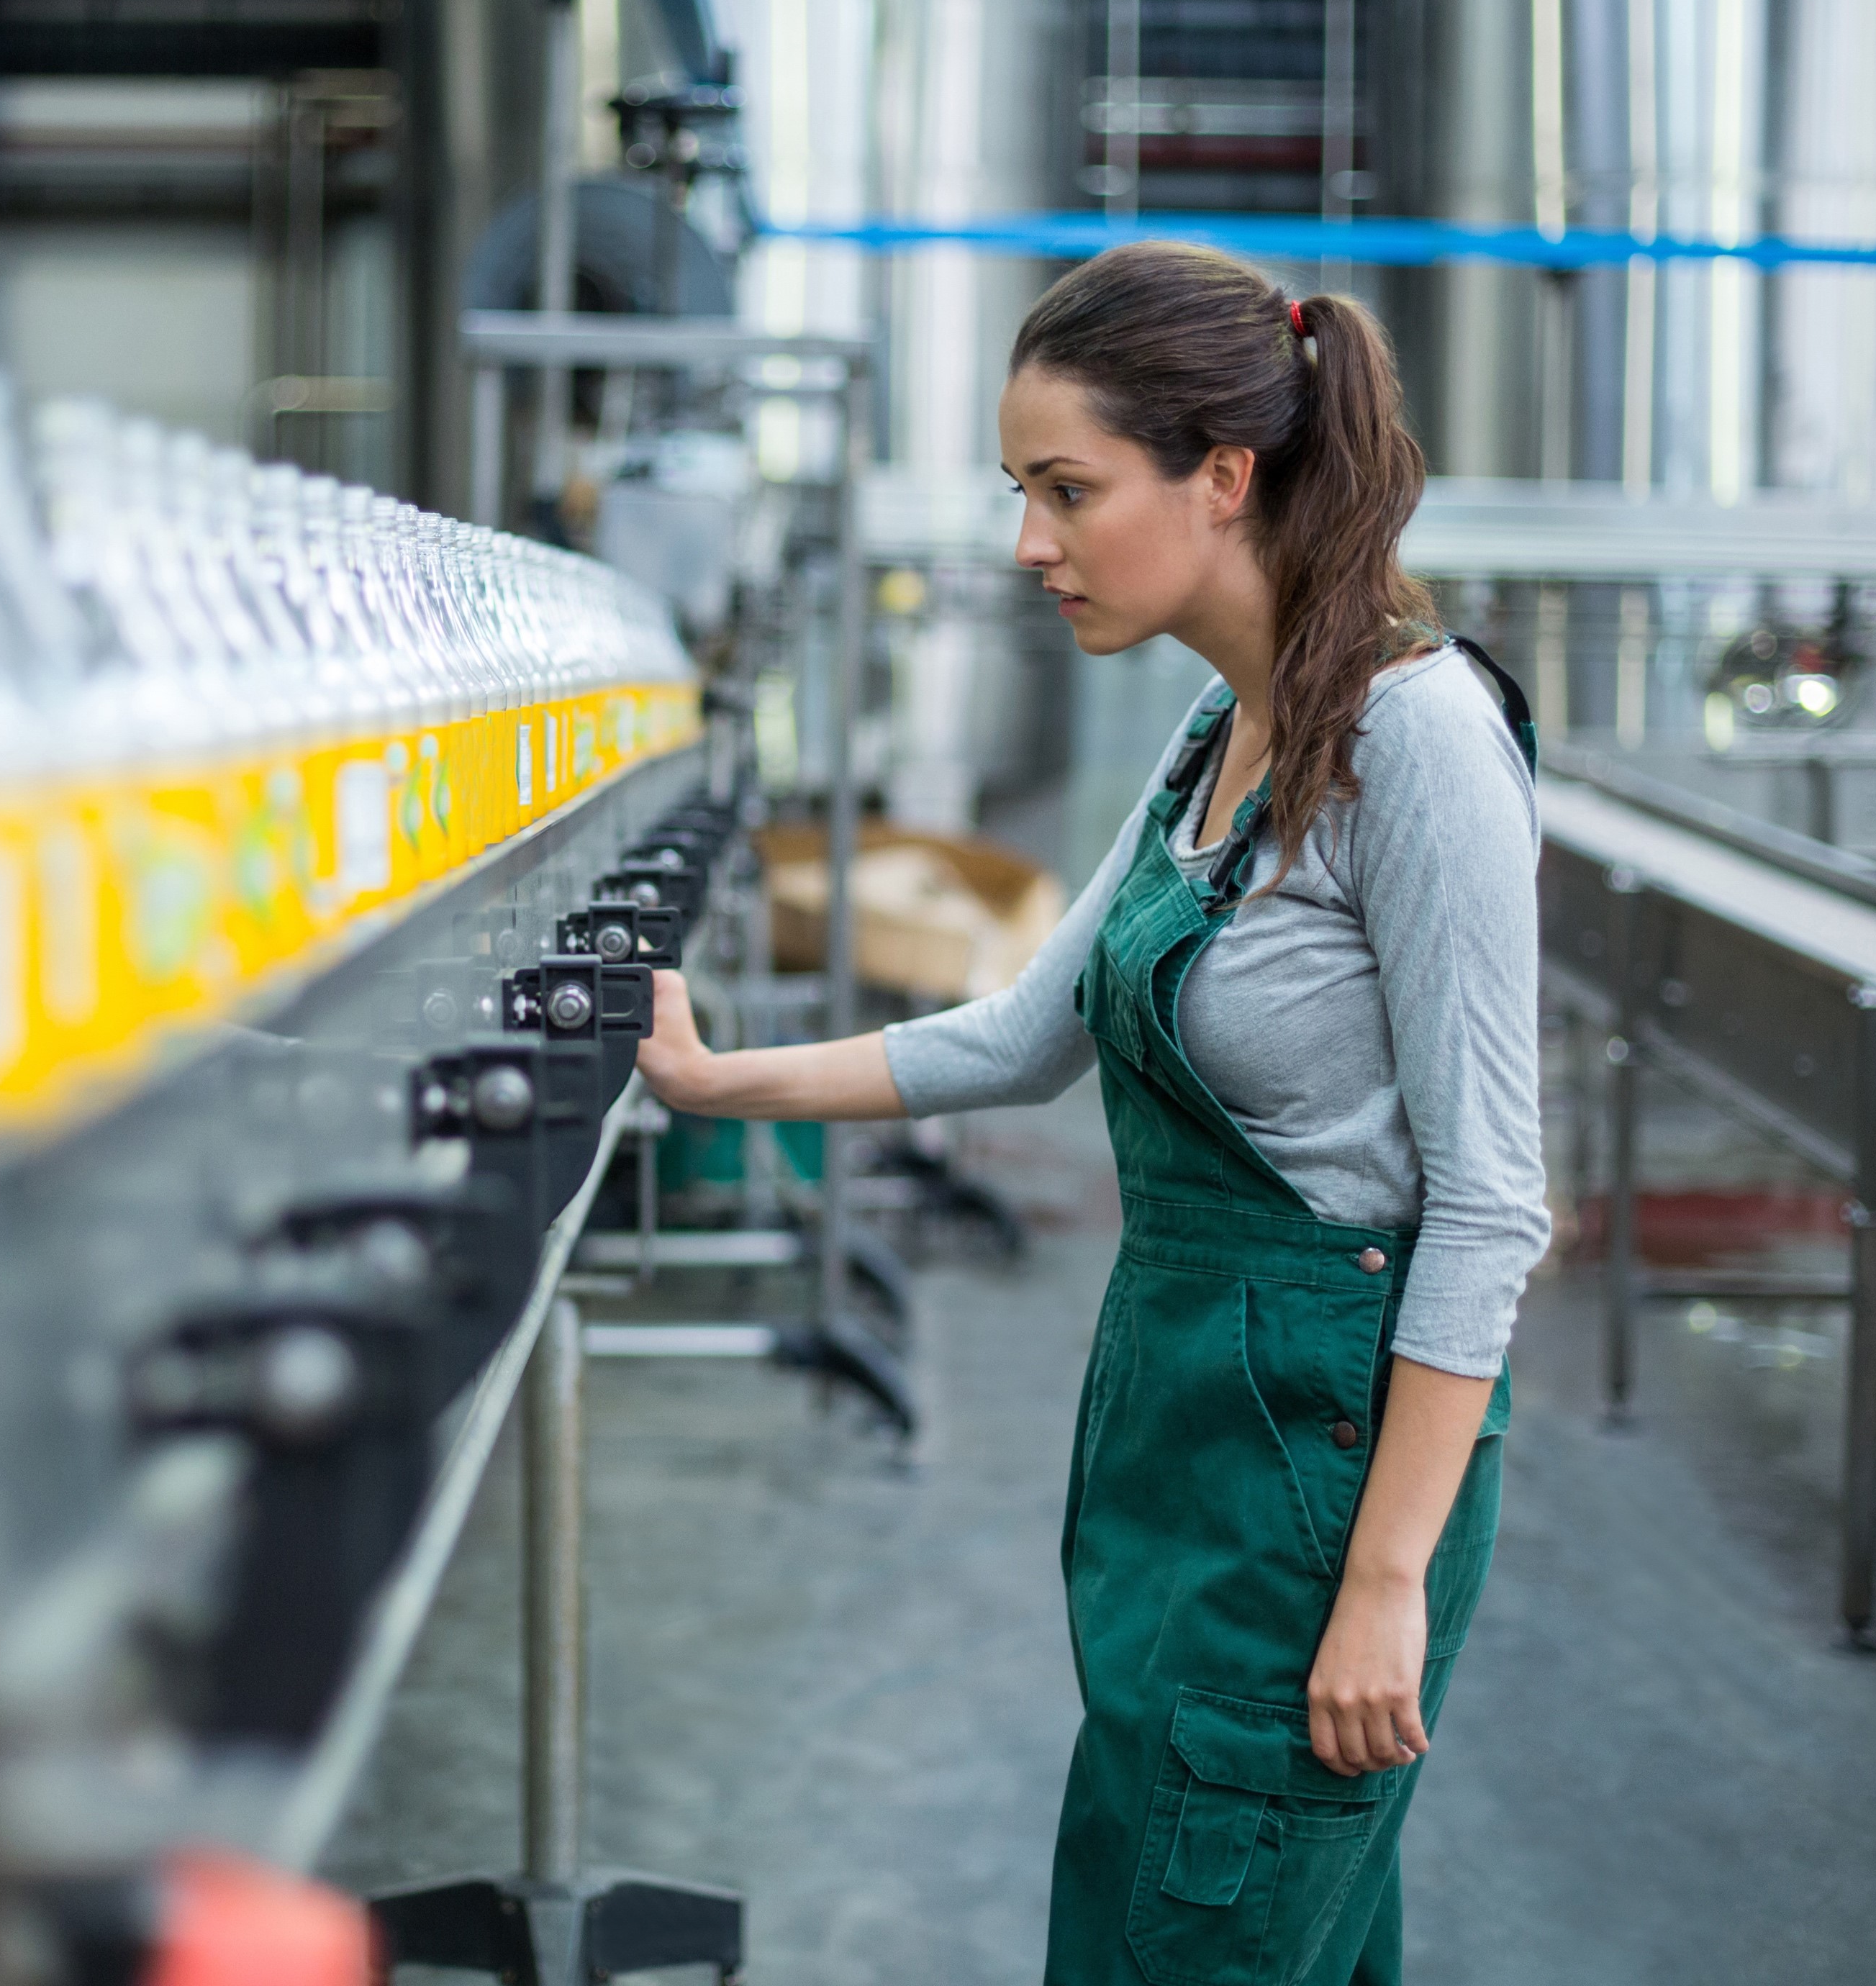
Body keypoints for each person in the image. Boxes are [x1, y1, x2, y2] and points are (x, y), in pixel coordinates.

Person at [633, 241, 1547, 1986]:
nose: (1029, 543)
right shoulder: (1218, 729)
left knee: (1196, 1931)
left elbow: (1494, 1202)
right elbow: (1023, 1033)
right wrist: (705, 1075)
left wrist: (1382, 1585)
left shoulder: (1418, 744)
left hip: (1321, 1477)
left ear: (1223, 476)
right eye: (1019, 492)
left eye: (1067, 490)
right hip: (1186, 1438)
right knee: (1217, 1915)